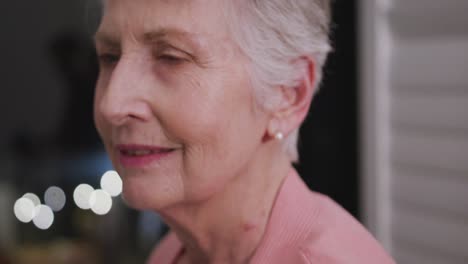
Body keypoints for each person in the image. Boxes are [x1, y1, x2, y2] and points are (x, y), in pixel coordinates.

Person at [93, 0, 396, 263]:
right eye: (110, 56)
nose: (112, 104)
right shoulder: (171, 253)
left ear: (288, 93)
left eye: (171, 57)